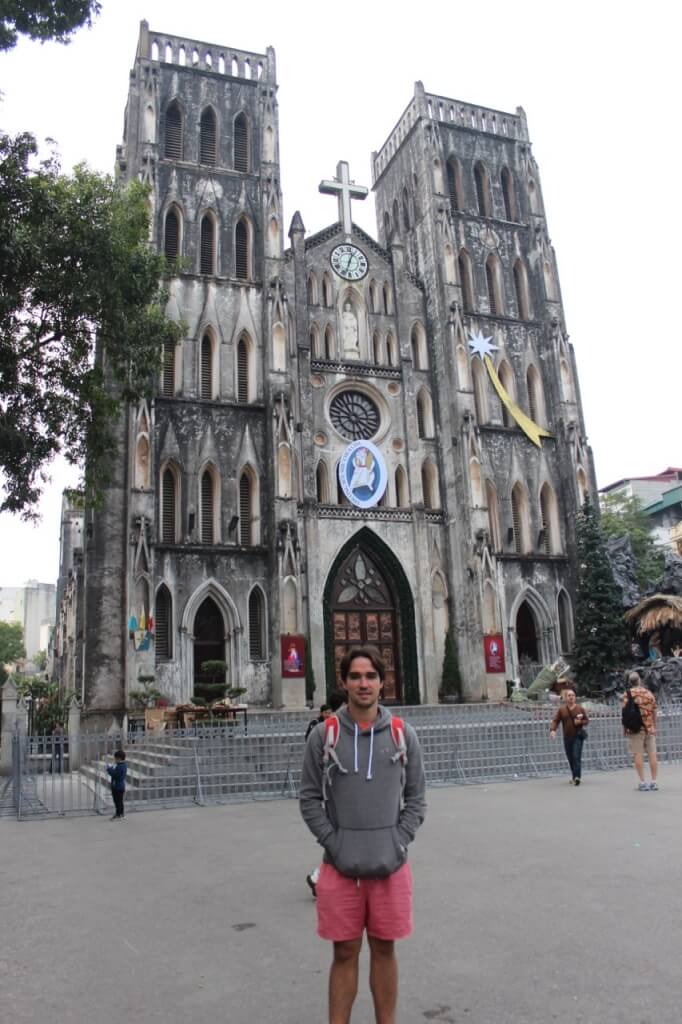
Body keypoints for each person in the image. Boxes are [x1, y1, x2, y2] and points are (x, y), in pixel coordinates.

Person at [300, 646, 426, 1024]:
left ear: (382, 682)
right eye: (355, 676)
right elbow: (308, 798)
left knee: (385, 949)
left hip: (391, 864)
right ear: (343, 682)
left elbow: (417, 798)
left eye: (370, 675)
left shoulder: (404, 735)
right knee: (344, 952)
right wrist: (334, 843)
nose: (363, 683)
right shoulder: (324, 735)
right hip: (341, 867)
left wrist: (398, 840)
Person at [305, 691, 346, 896]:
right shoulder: (326, 730)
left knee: (343, 848)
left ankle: (318, 877)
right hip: (335, 795)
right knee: (340, 846)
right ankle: (317, 877)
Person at [622, 671, 658, 791]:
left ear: (630, 682)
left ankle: (642, 782)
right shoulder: (649, 693)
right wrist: (653, 725)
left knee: (638, 754)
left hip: (635, 729)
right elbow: (654, 711)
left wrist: (625, 728)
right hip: (649, 727)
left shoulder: (628, 694)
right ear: (639, 680)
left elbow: (625, 713)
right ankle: (654, 782)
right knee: (652, 754)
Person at [549, 686, 589, 785]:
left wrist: (580, 722)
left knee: (576, 756)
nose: (571, 697)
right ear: (566, 698)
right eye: (569, 695)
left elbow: (587, 721)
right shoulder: (562, 710)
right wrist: (553, 730)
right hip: (567, 737)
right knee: (570, 757)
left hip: (578, 737)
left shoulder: (580, 709)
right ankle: (574, 775)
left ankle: (577, 777)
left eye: (573, 695)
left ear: (575, 697)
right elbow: (555, 720)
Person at [107, 749, 128, 819]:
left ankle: (119, 814)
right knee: (119, 801)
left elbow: (115, 775)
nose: (114, 760)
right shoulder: (122, 765)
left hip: (117, 787)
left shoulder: (120, 766)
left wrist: (109, 769)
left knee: (118, 802)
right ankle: (120, 814)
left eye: (115, 758)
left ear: (119, 758)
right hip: (119, 786)